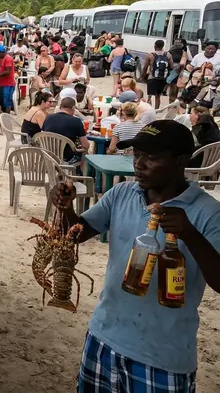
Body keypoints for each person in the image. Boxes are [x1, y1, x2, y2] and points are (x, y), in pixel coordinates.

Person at [48, 119, 220, 393]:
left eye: (151, 158)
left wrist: (189, 233)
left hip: (161, 357)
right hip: (103, 337)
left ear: (181, 161)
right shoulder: (121, 194)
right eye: (136, 155)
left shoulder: (207, 212)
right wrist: (66, 207)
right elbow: (75, 234)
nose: (138, 164)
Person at [42, 97, 90, 163]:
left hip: (49, 155)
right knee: (84, 152)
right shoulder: (76, 121)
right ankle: (80, 172)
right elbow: (85, 145)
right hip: (67, 157)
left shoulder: (48, 117)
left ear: (60, 107)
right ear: (73, 108)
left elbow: (42, 134)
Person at [143, 40, 171, 109]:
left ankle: (149, 110)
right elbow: (172, 66)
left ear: (155, 46)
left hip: (152, 78)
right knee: (158, 96)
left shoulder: (151, 55)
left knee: (150, 95)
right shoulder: (168, 55)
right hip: (163, 78)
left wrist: (143, 77)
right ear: (163, 46)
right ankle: (156, 111)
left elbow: (145, 68)